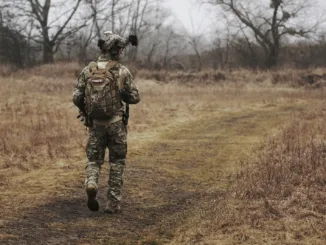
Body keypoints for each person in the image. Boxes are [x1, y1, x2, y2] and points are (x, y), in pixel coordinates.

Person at [72, 31, 140, 213]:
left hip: (95, 125)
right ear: (117, 51)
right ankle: (113, 204)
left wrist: (86, 112)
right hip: (117, 124)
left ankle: (92, 182)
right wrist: (121, 93)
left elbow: (76, 96)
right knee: (117, 162)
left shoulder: (89, 70)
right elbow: (135, 97)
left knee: (94, 160)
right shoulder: (122, 71)